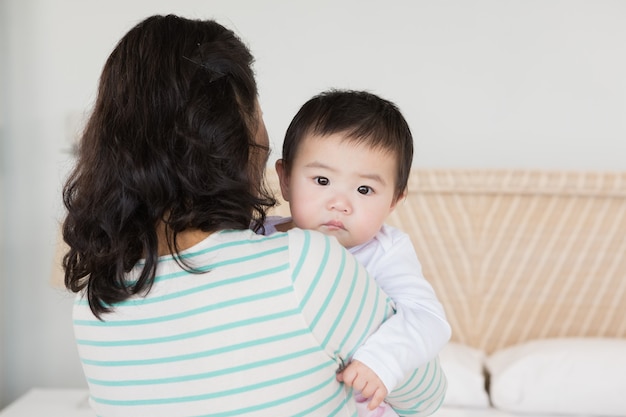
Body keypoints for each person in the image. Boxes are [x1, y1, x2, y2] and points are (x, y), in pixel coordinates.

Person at [62, 14, 446, 417]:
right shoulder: (306, 263)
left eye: (364, 189)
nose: (340, 203)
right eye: (258, 116)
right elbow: (427, 395)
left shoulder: (93, 305)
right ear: (231, 138)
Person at [264, 89, 451, 416]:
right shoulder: (256, 236)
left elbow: (428, 319)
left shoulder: (385, 252)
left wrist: (381, 361)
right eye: (321, 180)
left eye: (364, 189)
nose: (340, 203)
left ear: (393, 201)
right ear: (286, 179)